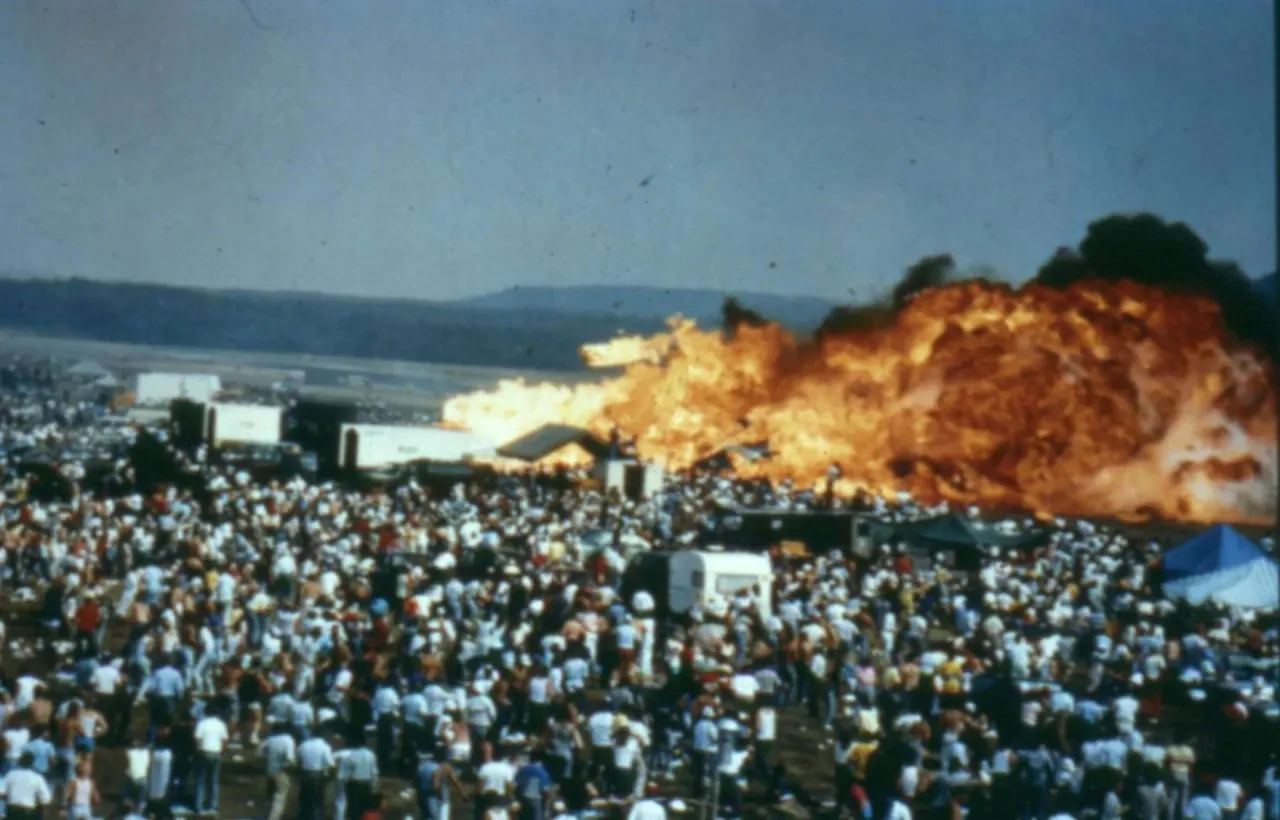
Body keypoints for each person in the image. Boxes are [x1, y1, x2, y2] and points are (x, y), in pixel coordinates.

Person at [259, 722, 297, 820]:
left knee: (268, 797)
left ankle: (264, 816)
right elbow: (290, 758)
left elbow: (259, 753)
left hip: (269, 771)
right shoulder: (288, 740)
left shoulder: (270, 739)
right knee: (279, 798)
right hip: (281, 771)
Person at [0, 752, 52, 820]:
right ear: (32, 762)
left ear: (20, 761)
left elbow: (1, 792)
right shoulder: (37, 778)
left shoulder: (10, 774)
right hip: (28, 811)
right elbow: (46, 800)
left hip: (12, 810)